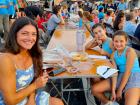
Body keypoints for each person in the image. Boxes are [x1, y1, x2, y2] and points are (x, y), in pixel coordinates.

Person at [0, 17, 64, 105]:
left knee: (58, 103)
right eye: (25, 33)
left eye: (34, 34)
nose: (30, 38)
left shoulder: (32, 54)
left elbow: (32, 81)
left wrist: (31, 99)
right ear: (15, 34)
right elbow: (10, 101)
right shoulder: (6, 60)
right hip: (11, 101)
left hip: (27, 95)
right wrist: (35, 85)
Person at [92, 30, 140, 105]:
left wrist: (119, 90)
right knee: (94, 89)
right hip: (120, 76)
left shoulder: (130, 51)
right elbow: (115, 72)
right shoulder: (113, 55)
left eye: (121, 41)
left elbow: (128, 72)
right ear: (113, 42)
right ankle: (109, 103)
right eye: (116, 41)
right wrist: (113, 90)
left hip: (133, 76)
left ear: (126, 41)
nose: (118, 44)